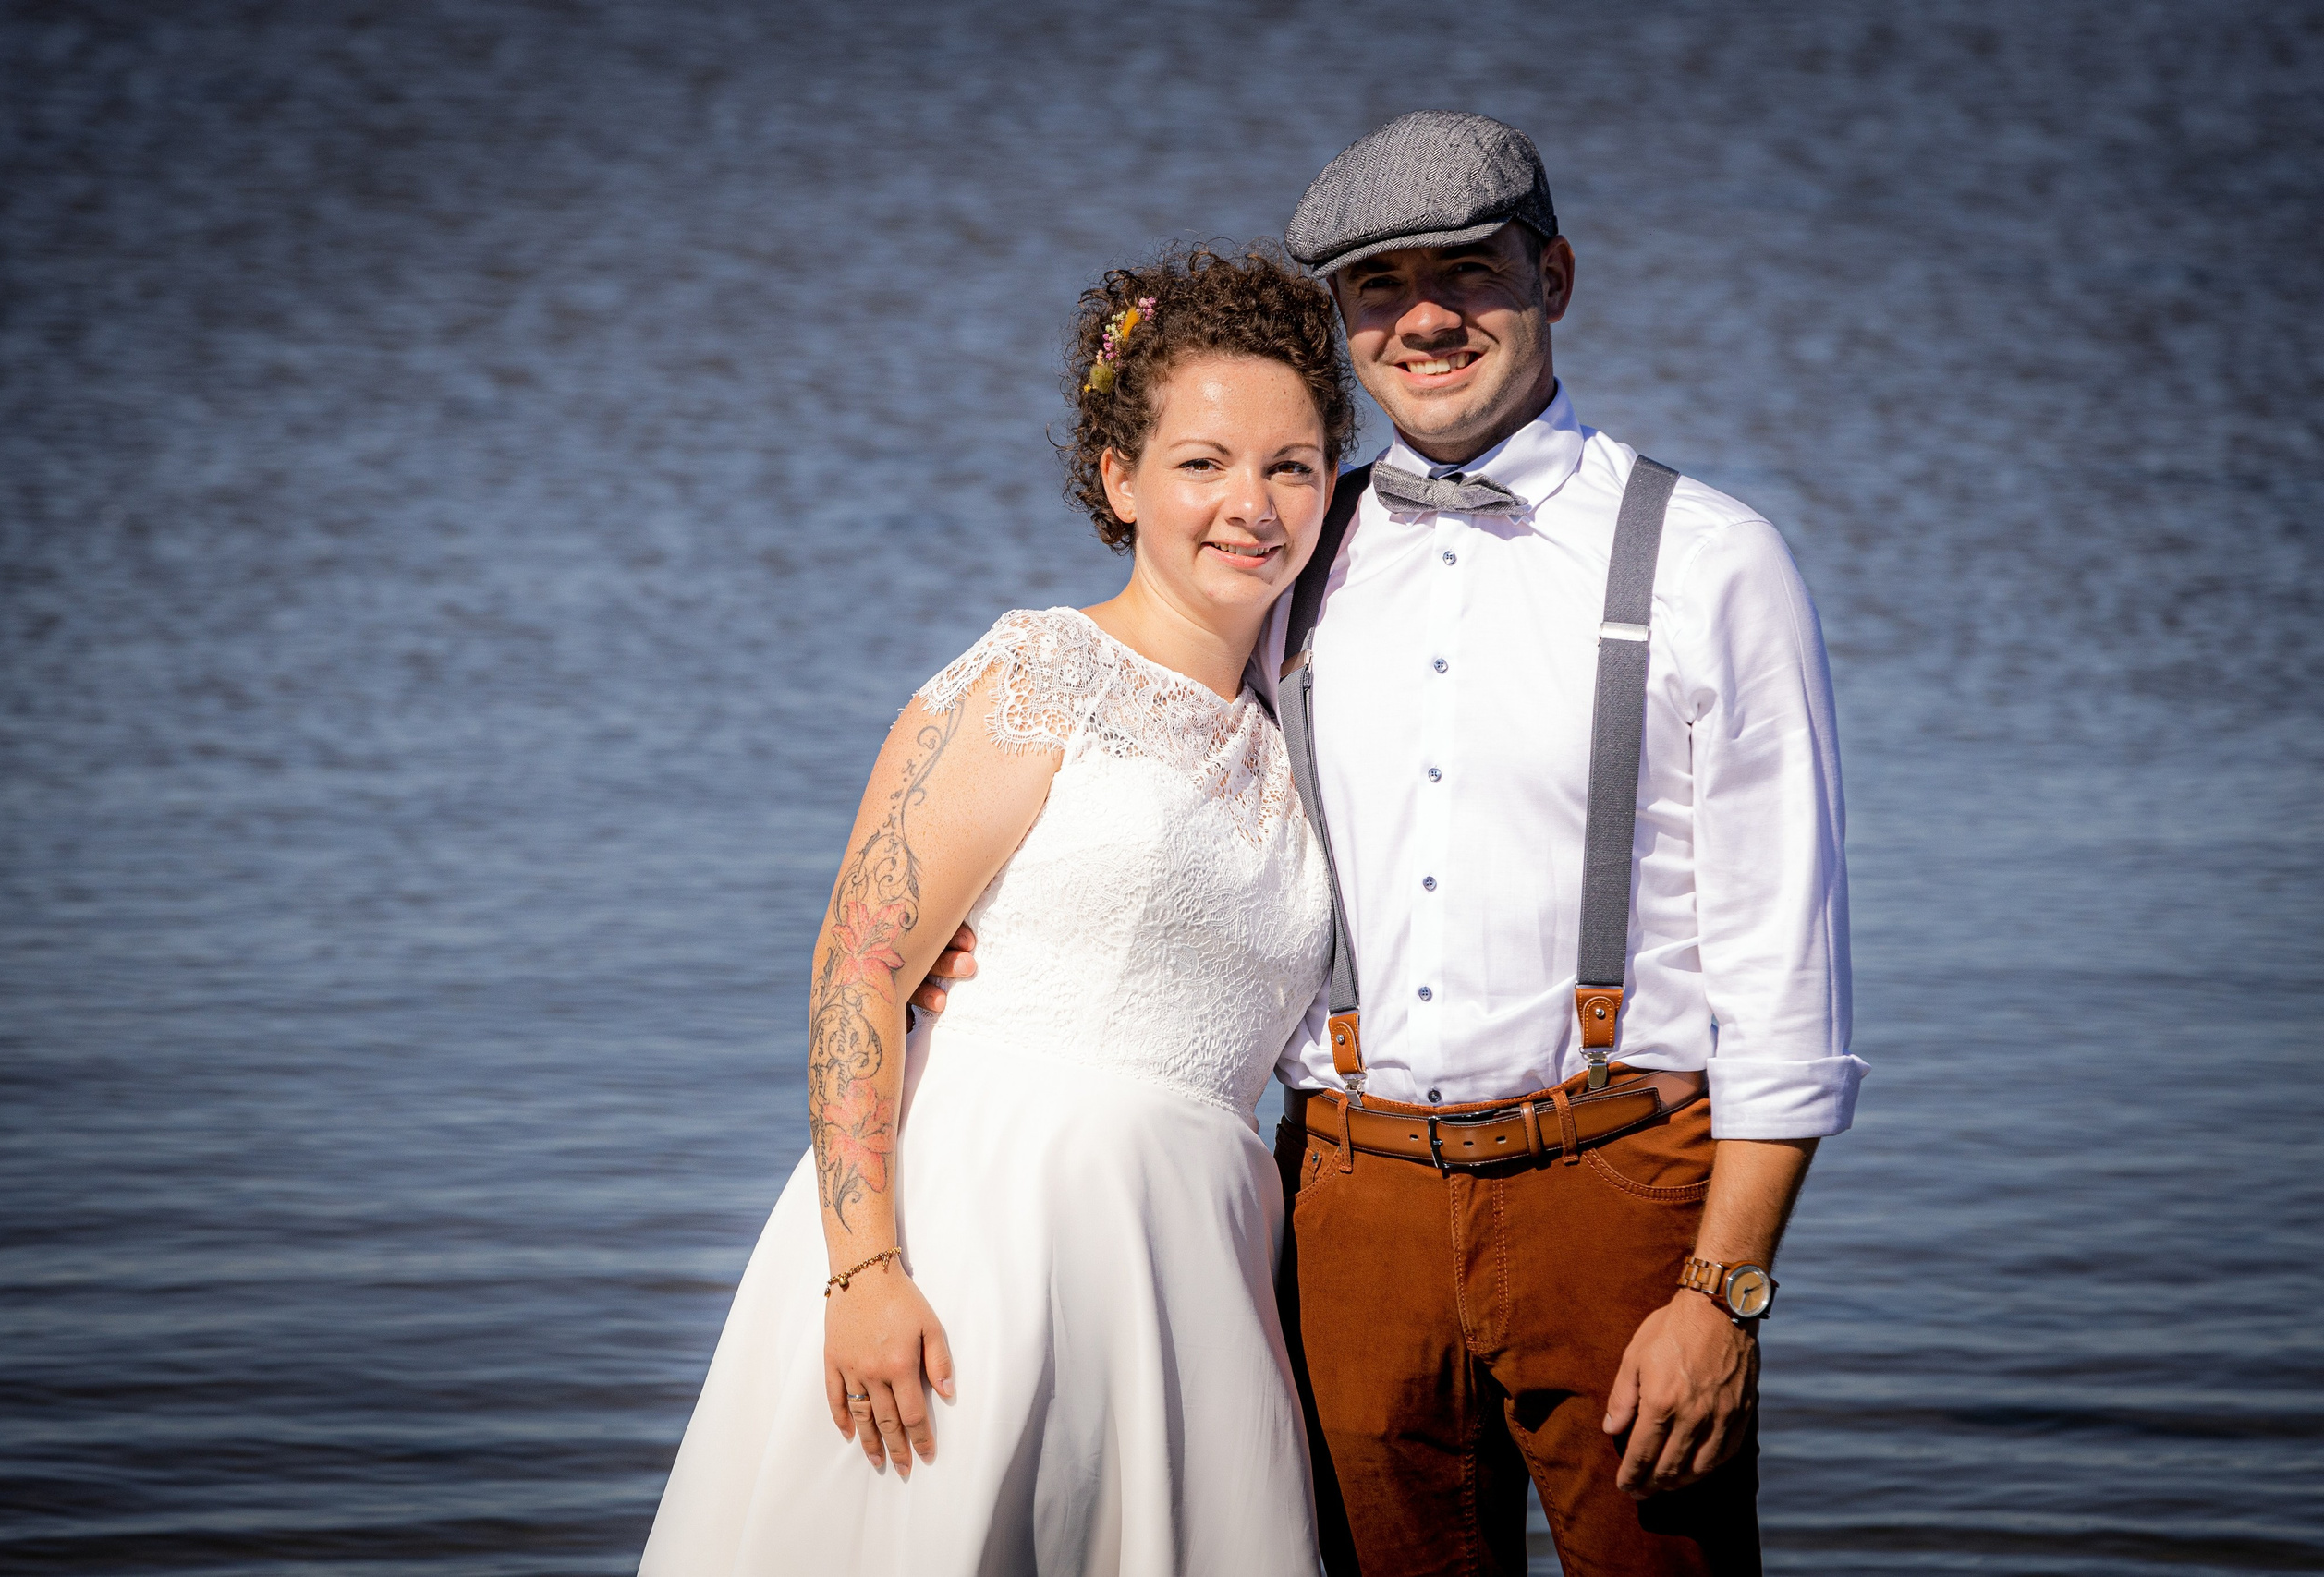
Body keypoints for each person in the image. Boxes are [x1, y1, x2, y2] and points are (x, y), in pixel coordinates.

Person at [923, 112, 1867, 1575]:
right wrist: (974, 956)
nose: (1425, 318)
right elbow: (1142, 781)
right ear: (1346, 323)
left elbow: (1786, 976)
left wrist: (1722, 1293)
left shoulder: (1709, 560)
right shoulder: (1294, 550)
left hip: (1617, 1193)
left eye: (1468, 274)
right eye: (1379, 287)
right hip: (1348, 1202)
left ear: (1553, 274)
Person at [638, 247, 1357, 1576]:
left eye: (1292, 464)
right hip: (977, 1233)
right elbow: (857, 965)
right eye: (1203, 463)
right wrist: (862, 1274)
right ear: (1120, 480)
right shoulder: (1035, 675)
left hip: (1196, 1262)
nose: (1250, 504)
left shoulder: (1299, 741)